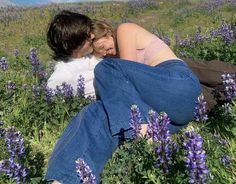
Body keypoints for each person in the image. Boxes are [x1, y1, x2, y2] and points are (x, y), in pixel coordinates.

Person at [45, 11, 233, 184]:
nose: (105, 53)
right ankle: (65, 177)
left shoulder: (124, 31)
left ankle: (141, 130)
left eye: (102, 45)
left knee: (105, 70)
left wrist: (108, 76)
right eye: (99, 52)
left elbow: (128, 72)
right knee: (93, 112)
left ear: (107, 33)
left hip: (177, 83)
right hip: (168, 115)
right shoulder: (112, 65)